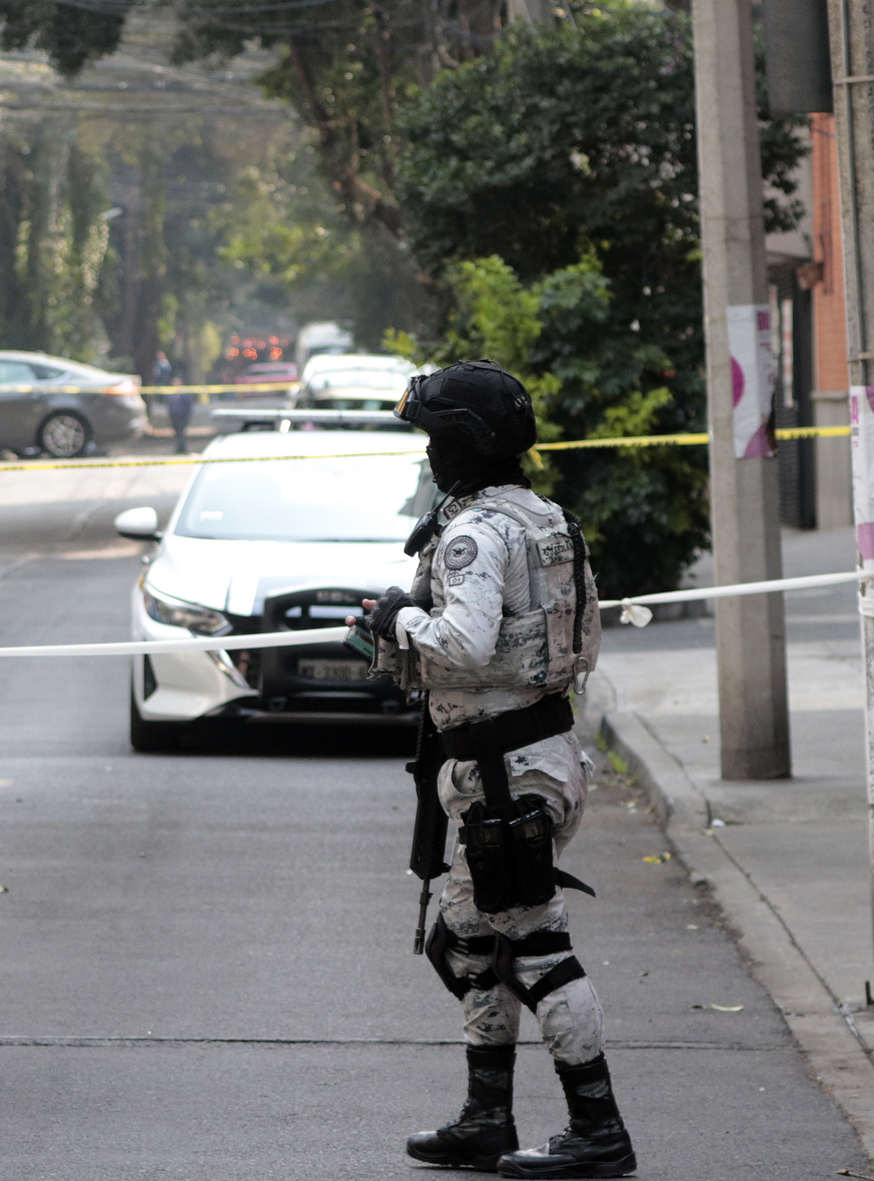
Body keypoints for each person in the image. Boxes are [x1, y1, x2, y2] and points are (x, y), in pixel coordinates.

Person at [352, 360, 630, 1178]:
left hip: (507, 773)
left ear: (464, 442)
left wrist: (399, 620)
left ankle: (599, 1127)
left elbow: (464, 644)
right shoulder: (549, 519)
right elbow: (583, 640)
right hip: (534, 758)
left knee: (537, 947)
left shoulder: (473, 534)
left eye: (435, 436)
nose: (428, 452)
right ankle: (486, 1116)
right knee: (469, 943)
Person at [153, 351, 195, 455]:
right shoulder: (170, 394)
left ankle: (182, 447)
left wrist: (187, 414)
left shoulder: (185, 393)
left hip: (182, 415)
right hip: (174, 415)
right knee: (177, 432)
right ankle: (179, 447)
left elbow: (189, 404)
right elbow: (169, 404)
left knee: (181, 432)